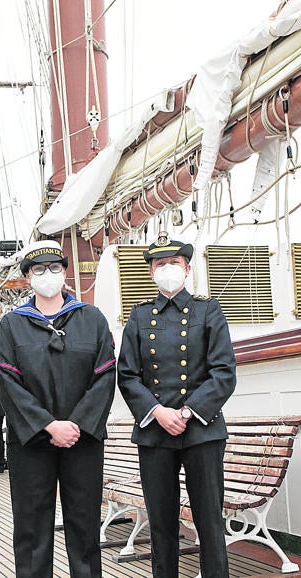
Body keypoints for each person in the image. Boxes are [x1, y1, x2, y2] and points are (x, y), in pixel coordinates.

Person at [117, 233, 237, 578]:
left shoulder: (207, 310)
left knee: (209, 520)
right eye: (159, 264)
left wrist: (186, 412)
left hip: (202, 428)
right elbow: (127, 375)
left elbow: (224, 371)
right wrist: (158, 412)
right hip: (155, 432)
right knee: (161, 521)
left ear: (186, 269)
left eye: (173, 263)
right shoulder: (139, 317)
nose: (167, 269)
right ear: (151, 271)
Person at [0, 241, 117, 578]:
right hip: (31, 441)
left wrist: (74, 424)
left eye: (54, 268)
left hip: (83, 439)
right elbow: (7, 383)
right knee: (32, 530)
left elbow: (105, 375)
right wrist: (49, 425)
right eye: (38, 270)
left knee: (84, 526)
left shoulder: (91, 318)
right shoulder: (12, 325)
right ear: (27, 277)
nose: (47, 275)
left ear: (64, 272)